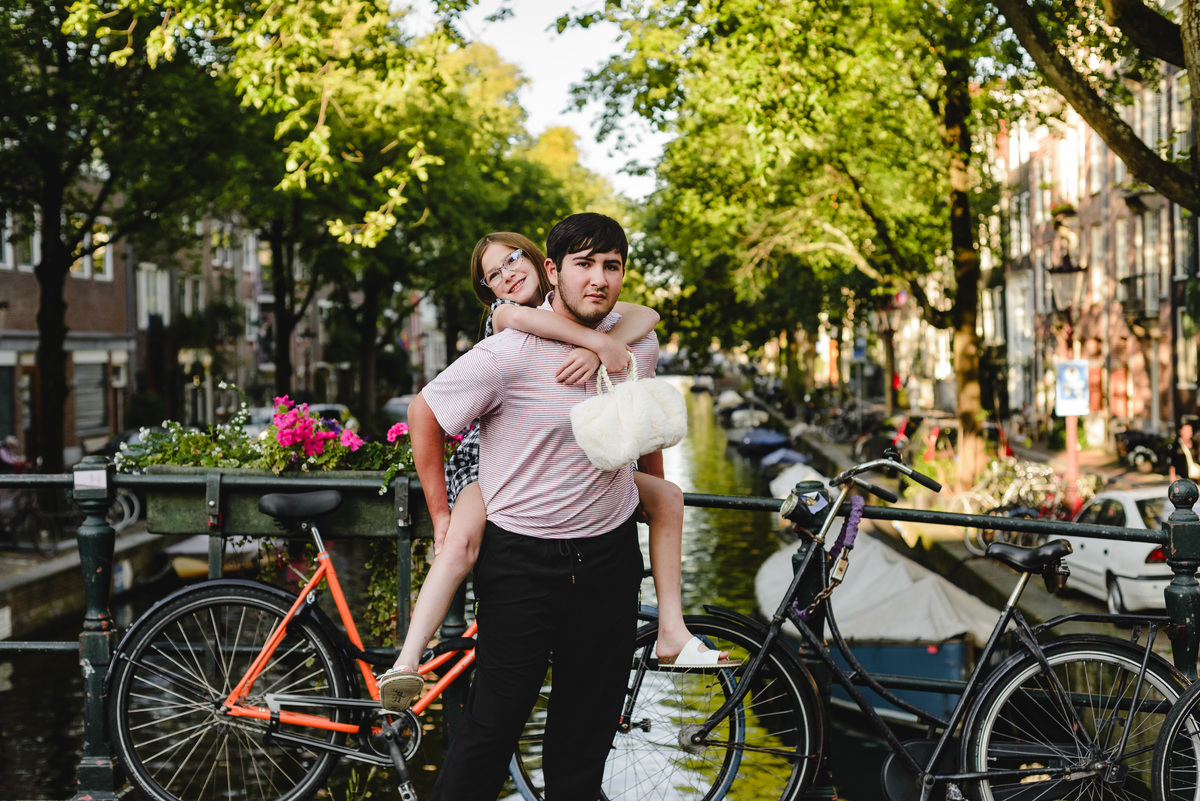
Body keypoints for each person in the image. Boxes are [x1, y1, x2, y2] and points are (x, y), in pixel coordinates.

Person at [398, 214, 727, 800]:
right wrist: (443, 513)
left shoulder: (638, 343)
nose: (599, 279)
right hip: (522, 562)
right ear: (552, 271)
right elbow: (425, 412)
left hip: (607, 559)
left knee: (584, 740)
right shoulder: (508, 352)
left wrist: (651, 495)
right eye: (584, 265)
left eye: (612, 266)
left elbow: (643, 429)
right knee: (490, 733)